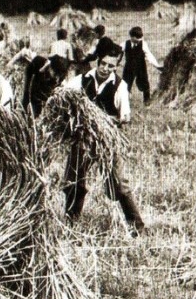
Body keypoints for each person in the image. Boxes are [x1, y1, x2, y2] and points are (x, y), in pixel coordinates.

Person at [60, 39, 146, 232]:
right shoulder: (80, 80)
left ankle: (137, 227)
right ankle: (71, 222)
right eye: (104, 64)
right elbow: (63, 98)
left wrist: (108, 120)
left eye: (111, 66)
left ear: (116, 66)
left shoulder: (120, 86)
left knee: (119, 185)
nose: (106, 69)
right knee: (73, 182)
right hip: (82, 139)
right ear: (98, 60)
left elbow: (125, 116)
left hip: (108, 141)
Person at [121, 27, 162, 104]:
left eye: (140, 37)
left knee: (145, 83)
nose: (139, 39)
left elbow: (149, 55)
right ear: (132, 37)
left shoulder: (143, 44)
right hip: (129, 68)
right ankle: (123, 101)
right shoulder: (124, 44)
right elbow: (118, 55)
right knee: (125, 84)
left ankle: (147, 100)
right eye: (137, 38)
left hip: (141, 67)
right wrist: (115, 65)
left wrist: (157, 66)